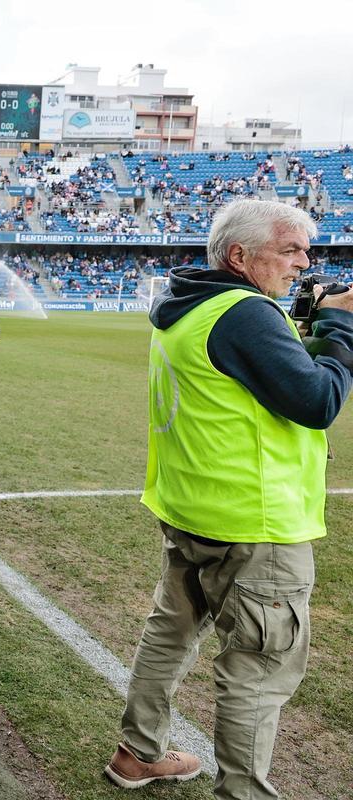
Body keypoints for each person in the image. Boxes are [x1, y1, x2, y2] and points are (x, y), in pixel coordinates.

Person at [105, 200, 353, 799]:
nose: (304, 262)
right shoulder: (245, 313)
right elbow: (318, 399)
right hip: (255, 524)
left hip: (195, 509)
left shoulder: (190, 304)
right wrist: (343, 327)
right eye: (290, 249)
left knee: (170, 635)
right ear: (240, 255)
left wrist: (311, 325)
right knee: (257, 670)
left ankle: (137, 754)